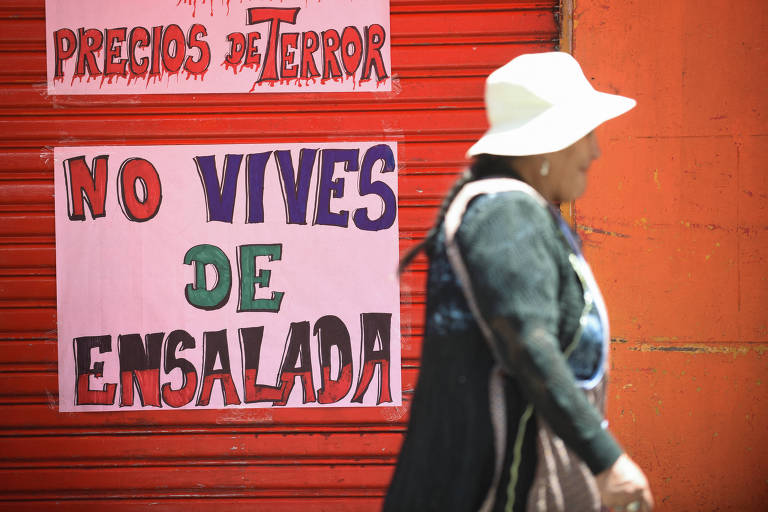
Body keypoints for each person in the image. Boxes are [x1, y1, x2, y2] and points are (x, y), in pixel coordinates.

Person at [384, 52, 654, 512]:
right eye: (586, 134)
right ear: (550, 143)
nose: (595, 151)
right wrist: (608, 462)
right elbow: (528, 343)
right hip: (490, 493)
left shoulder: (522, 212)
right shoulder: (506, 214)